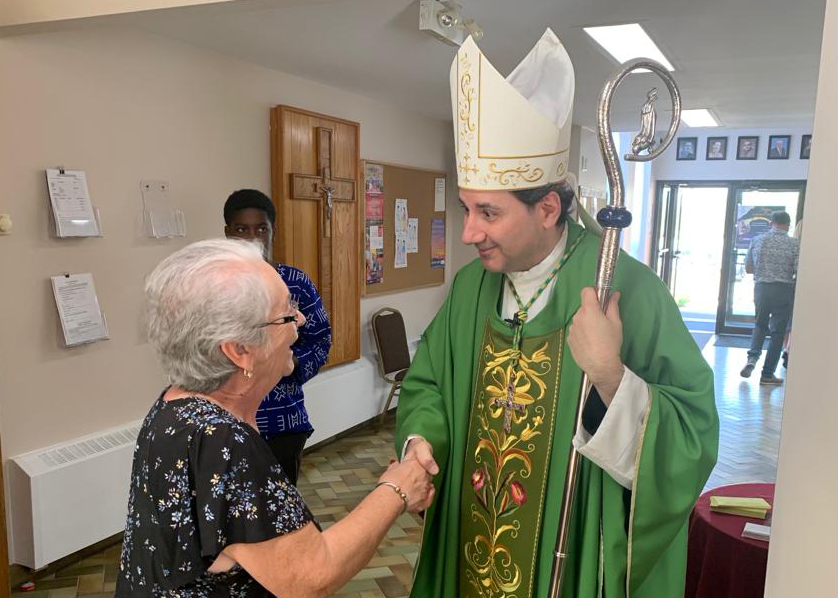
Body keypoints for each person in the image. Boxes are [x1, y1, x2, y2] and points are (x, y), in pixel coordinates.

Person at [395, 30, 718, 598]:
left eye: (488, 213)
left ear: (547, 209)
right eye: (466, 209)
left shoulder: (626, 288)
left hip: (564, 558)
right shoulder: (472, 287)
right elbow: (429, 385)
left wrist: (610, 374)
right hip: (470, 534)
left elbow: (692, 435)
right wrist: (420, 439)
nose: (469, 232)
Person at [115, 239, 433, 598]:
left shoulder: (173, 405)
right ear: (240, 351)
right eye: (285, 315)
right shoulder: (222, 443)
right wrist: (398, 489)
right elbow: (314, 574)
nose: (299, 321)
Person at [223, 189, 331, 485]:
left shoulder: (295, 283)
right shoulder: (213, 286)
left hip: (284, 423)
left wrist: (292, 364)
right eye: (241, 229)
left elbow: (320, 340)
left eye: (261, 229)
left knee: (284, 514)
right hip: (229, 426)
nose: (252, 238)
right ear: (227, 233)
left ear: (273, 232)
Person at [741, 211, 800, 383]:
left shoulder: (758, 240)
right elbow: (798, 271)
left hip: (761, 288)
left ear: (771, 224)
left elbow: (749, 268)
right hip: (783, 289)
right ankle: (767, 374)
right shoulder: (794, 244)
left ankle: (751, 359)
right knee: (777, 333)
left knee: (760, 325)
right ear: (788, 225)